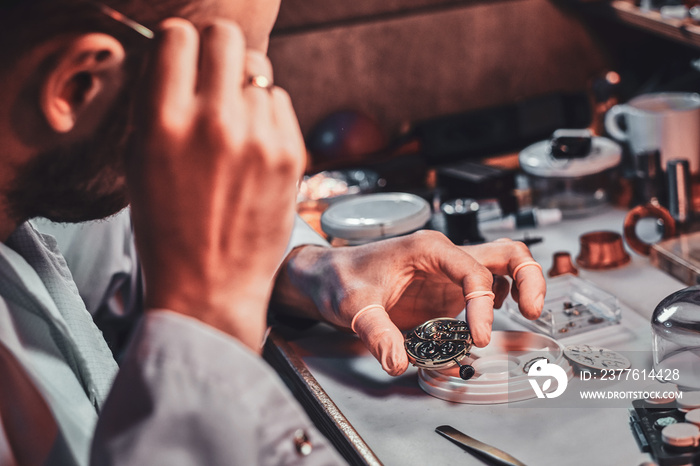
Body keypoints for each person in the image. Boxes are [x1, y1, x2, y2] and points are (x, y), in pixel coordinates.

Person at [0, 0, 546, 465]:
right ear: (76, 86)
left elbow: (114, 244)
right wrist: (208, 318)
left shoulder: (23, 204)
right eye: (237, 80)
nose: (254, 113)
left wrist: (314, 272)